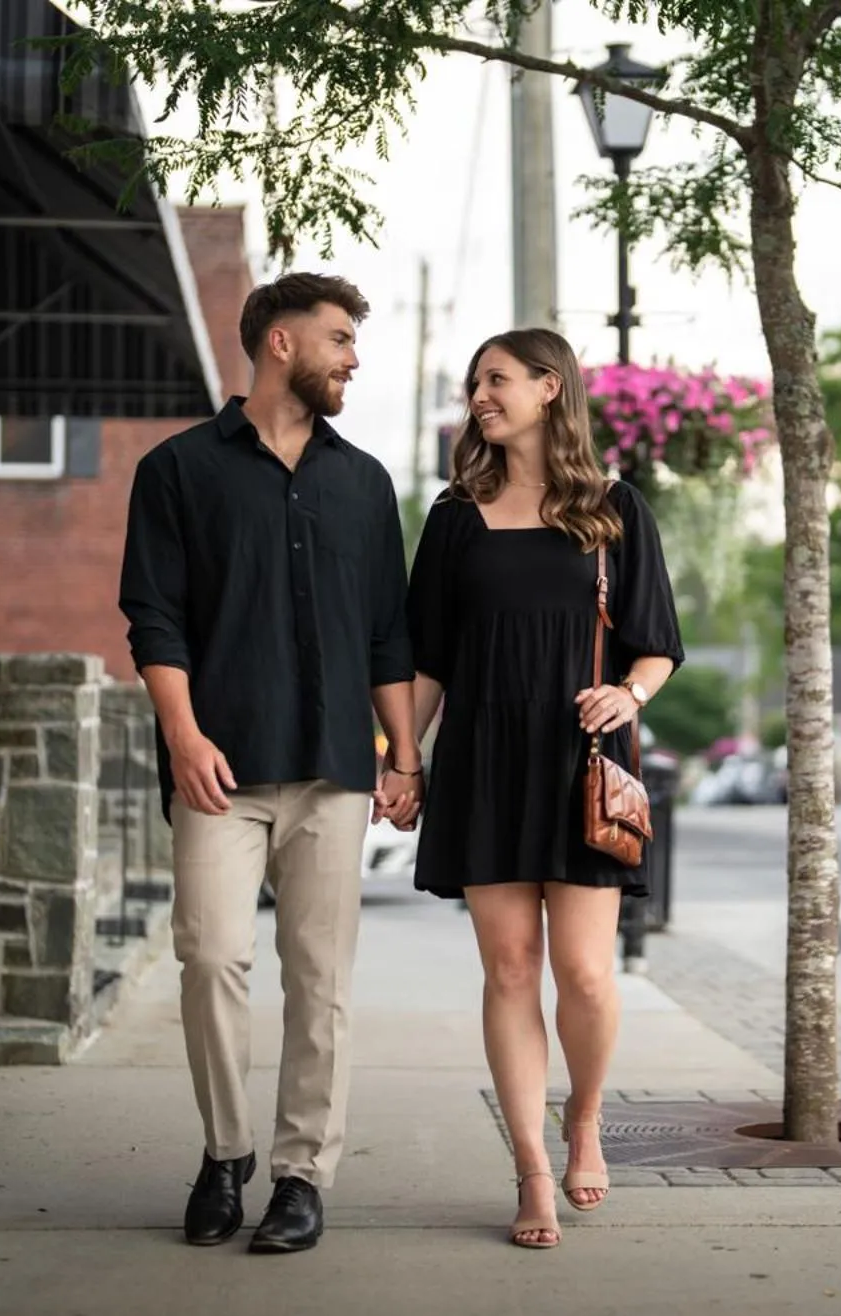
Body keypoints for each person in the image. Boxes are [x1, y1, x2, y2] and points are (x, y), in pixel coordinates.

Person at [119, 272, 423, 1255]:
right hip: (220, 770)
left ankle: (300, 1174)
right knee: (209, 955)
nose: (352, 357)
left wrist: (404, 756)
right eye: (339, 337)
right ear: (280, 342)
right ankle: (225, 1152)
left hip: (335, 771)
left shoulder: (365, 483)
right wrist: (183, 733)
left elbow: (387, 635)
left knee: (319, 978)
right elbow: (152, 616)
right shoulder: (176, 471)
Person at [405, 328, 683, 1250]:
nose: (479, 395)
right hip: (483, 758)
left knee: (588, 976)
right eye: (474, 382)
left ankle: (587, 1116)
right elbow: (429, 658)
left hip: (580, 760)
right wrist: (403, 758)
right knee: (511, 969)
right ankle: (530, 1168)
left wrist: (629, 692)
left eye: (495, 379)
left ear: (547, 387)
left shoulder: (613, 507)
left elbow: (655, 640)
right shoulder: (454, 516)